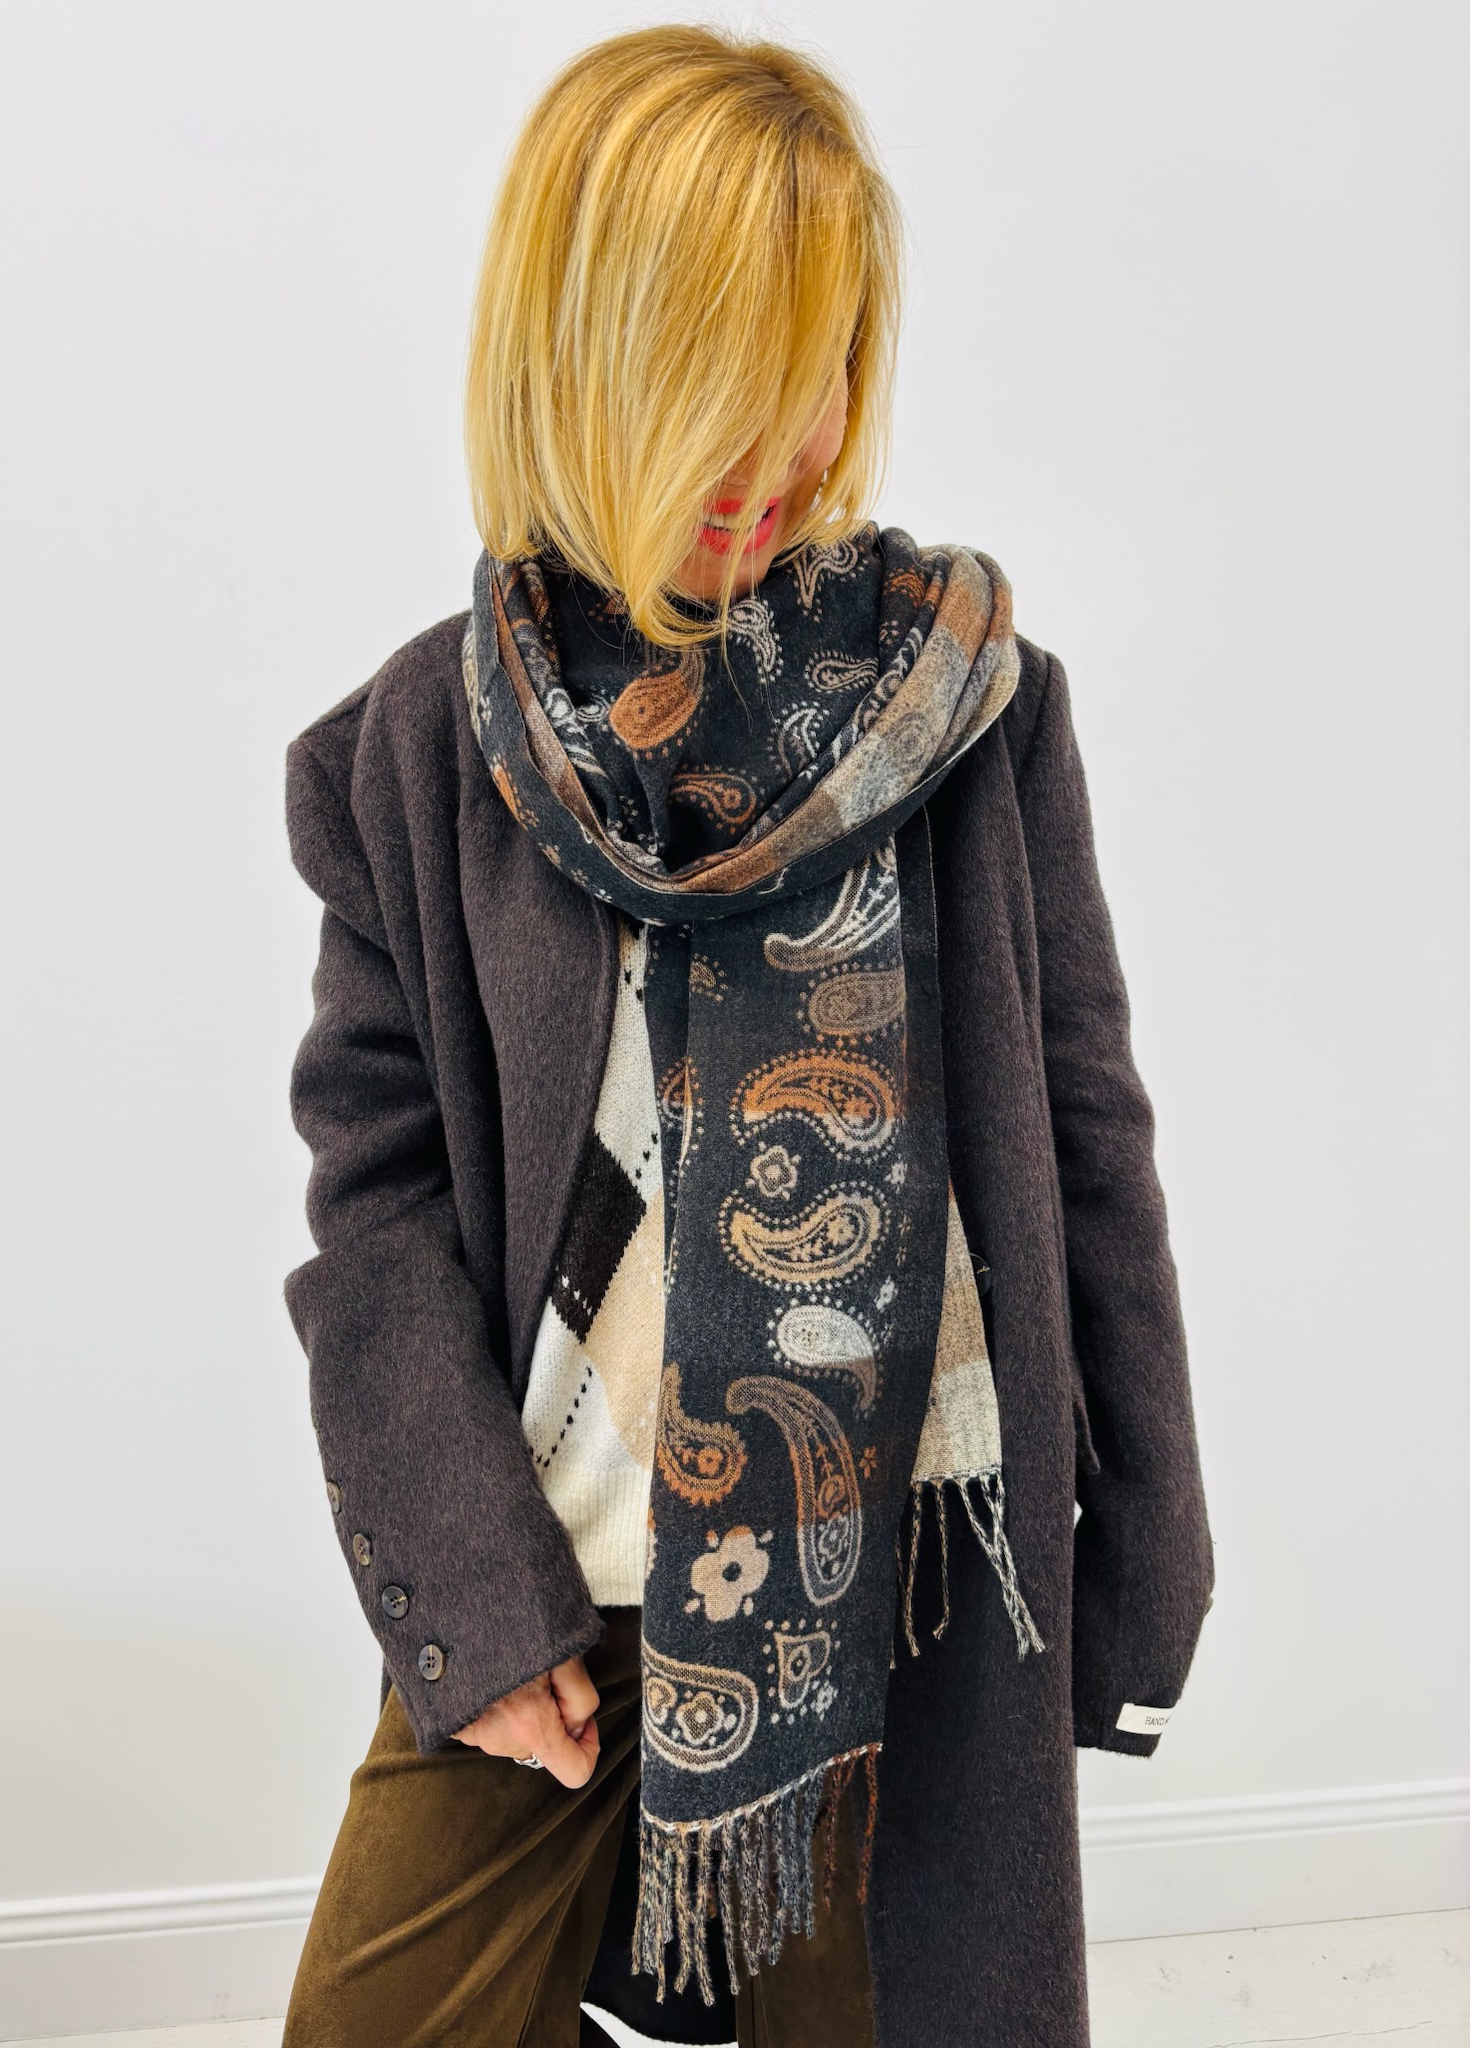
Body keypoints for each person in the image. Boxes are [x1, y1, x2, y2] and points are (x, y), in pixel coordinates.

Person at [278, 25, 1214, 2048]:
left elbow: (1088, 1133)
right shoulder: (415, 756)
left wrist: (1150, 1524)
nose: (784, 449)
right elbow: (379, 1213)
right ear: (583, 364)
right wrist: (471, 1590)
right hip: (549, 1558)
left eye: (824, 372)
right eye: (724, 382)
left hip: (901, 1579)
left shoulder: (968, 703)